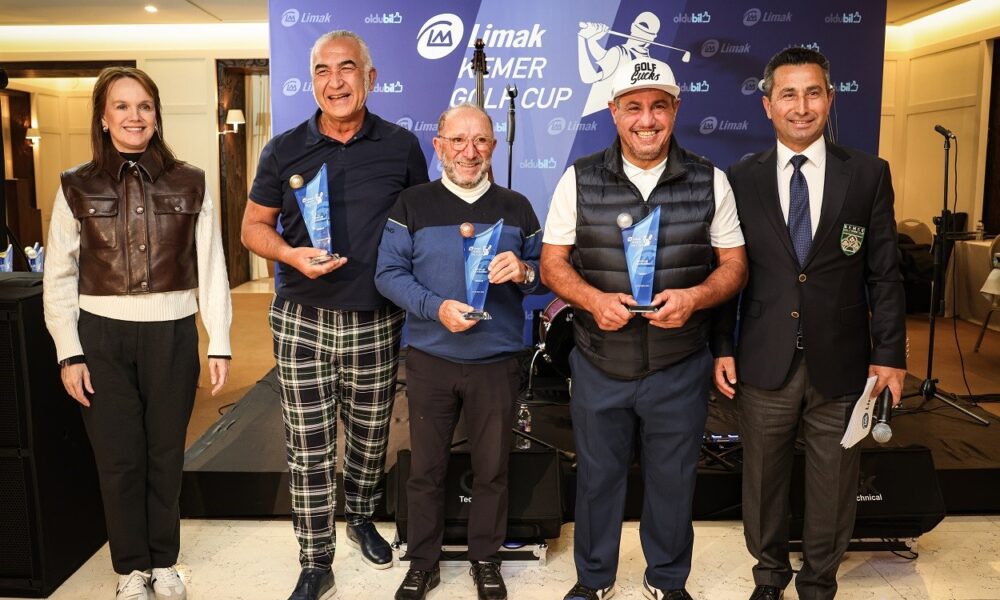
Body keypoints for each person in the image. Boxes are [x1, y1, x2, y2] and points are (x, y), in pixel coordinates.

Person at [541, 57, 748, 600]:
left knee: (674, 480)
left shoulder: (710, 179)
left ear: (676, 109)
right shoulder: (579, 178)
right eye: (633, 107)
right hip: (600, 361)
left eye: (659, 106)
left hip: (679, 363)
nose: (647, 119)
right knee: (597, 479)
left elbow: (735, 266)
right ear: (614, 112)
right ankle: (593, 579)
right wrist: (591, 299)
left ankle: (667, 580)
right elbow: (552, 263)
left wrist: (695, 297)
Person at [712, 47, 907, 600]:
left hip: (843, 362)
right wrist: (722, 344)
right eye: (789, 95)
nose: (801, 107)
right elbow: (728, 270)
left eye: (813, 93)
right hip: (763, 357)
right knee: (762, 481)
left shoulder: (867, 174)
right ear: (767, 105)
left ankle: (819, 582)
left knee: (835, 483)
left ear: (830, 98)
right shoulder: (739, 178)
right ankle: (769, 577)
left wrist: (890, 355)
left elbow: (885, 274)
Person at [241, 29, 428, 600]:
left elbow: (421, 225)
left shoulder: (401, 146)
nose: (335, 81)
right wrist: (289, 254)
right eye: (322, 71)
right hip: (301, 315)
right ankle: (315, 559)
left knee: (370, 437)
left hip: (376, 316)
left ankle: (363, 517)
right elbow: (253, 227)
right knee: (308, 446)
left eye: (347, 68)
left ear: (369, 78)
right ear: (312, 81)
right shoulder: (283, 149)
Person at [43, 66, 232, 600]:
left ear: (156, 115)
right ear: (103, 118)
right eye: (122, 106)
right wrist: (69, 352)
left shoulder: (191, 180)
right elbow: (58, 275)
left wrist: (218, 339)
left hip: (172, 334)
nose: (134, 116)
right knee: (119, 459)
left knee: (165, 455)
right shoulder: (76, 184)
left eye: (144, 106)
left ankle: (164, 562)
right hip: (100, 338)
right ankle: (130, 568)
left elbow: (211, 265)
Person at [375, 103, 544, 600]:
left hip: (497, 362)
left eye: (481, 141)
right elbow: (388, 274)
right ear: (439, 145)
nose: (469, 152)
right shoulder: (412, 204)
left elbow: (547, 274)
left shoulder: (517, 207)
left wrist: (526, 272)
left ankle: (485, 559)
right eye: (458, 140)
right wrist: (435, 307)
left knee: (493, 469)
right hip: (432, 359)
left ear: (493, 146)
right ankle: (422, 562)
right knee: (426, 470)